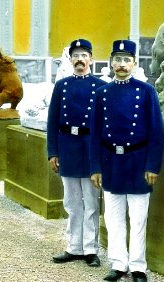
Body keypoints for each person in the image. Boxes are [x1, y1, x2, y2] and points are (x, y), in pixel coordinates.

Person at [89, 40, 164, 282]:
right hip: (111, 163)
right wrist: (95, 167)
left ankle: (138, 266)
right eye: (117, 60)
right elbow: (95, 133)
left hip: (138, 163)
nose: (121, 65)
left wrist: (152, 165)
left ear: (134, 63)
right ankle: (118, 263)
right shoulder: (101, 93)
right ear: (111, 63)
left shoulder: (146, 91)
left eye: (126, 60)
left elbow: (156, 130)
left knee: (139, 218)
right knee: (113, 217)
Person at [47, 38, 107, 267]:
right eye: (76, 56)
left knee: (91, 202)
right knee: (72, 202)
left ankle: (90, 249)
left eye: (84, 56)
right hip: (68, 148)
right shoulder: (61, 86)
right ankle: (74, 247)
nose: (80, 60)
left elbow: (103, 125)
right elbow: (52, 121)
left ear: (91, 59)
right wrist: (53, 152)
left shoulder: (101, 87)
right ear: (70, 60)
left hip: (90, 148)